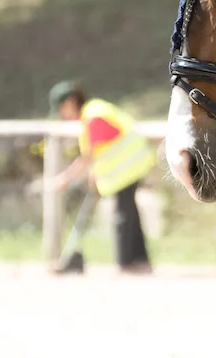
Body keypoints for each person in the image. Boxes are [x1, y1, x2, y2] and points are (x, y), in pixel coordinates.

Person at [49, 81, 155, 274]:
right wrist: (95, 173)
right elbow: (103, 148)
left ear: (71, 102)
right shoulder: (94, 111)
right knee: (129, 213)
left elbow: (88, 156)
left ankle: (126, 262)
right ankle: (140, 260)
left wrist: (65, 178)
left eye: (61, 108)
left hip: (129, 166)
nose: (61, 114)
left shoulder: (94, 117)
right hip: (130, 165)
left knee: (123, 214)